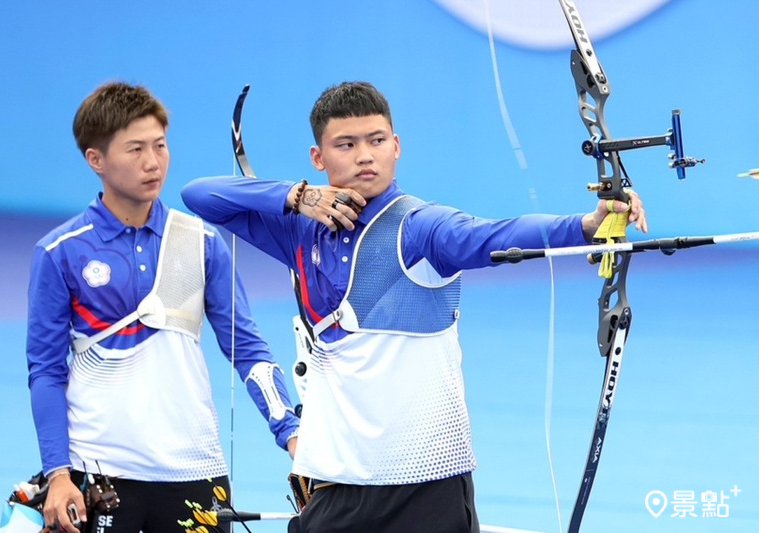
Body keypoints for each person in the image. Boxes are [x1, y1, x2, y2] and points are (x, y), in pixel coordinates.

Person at [180, 81, 648, 533]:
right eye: (346, 144)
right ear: (318, 159)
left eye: (377, 139)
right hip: (336, 485)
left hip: (429, 485)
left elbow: (494, 235)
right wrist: (296, 196)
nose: (365, 154)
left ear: (397, 146)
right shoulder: (299, 231)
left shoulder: (421, 226)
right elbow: (200, 195)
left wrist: (587, 224)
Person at [26, 81, 300, 533]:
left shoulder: (202, 243)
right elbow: (46, 371)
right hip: (98, 473)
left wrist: (290, 432)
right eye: (135, 149)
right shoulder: (60, 252)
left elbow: (248, 349)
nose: (153, 162)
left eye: (160, 145)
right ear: (95, 159)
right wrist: (57, 474)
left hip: (195, 471)